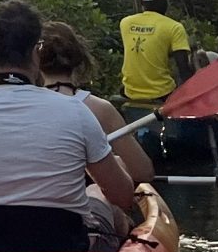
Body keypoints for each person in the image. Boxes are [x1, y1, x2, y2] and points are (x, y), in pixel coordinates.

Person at [0, 0, 141, 252]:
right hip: (65, 251)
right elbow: (123, 197)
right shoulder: (76, 112)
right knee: (99, 194)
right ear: (36, 51)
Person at [37, 20, 161, 197]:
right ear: (78, 58)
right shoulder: (101, 109)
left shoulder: (19, 106)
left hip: (29, 207)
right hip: (81, 206)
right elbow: (143, 172)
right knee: (118, 163)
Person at [117, 0, 193, 107]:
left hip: (130, 92)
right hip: (161, 93)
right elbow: (183, 69)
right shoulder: (174, 27)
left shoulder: (125, 23)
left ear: (142, 3)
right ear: (164, 2)